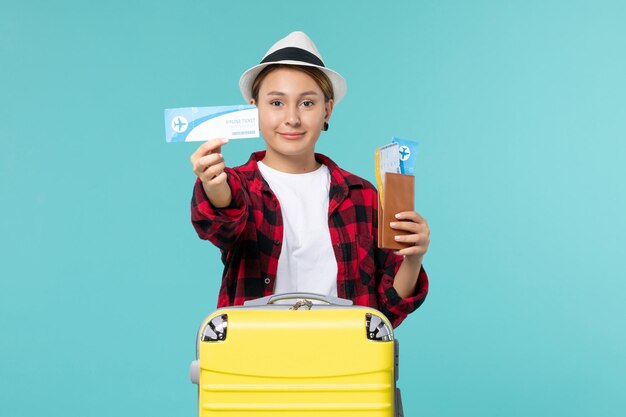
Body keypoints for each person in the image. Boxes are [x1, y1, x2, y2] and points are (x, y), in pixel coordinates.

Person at [190, 31, 429, 327]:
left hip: (344, 362)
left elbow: (388, 311)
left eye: (307, 103)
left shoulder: (361, 196)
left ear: (327, 110)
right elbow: (218, 223)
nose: (292, 118)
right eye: (277, 103)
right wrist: (215, 186)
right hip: (254, 360)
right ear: (254, 110)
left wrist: (413, 258)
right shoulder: (237, 186)